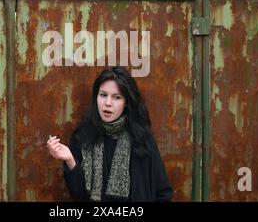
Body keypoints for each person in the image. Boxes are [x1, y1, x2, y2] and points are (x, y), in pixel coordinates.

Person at [47, 66, 172, 201]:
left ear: (126, 103)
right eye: (103, 95)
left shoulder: (141, 140)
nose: (107, 103)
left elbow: (163, 192)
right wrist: (70, 160)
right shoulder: (83, 138)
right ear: (96, 97)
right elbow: (80, 196)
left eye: (116, 97)